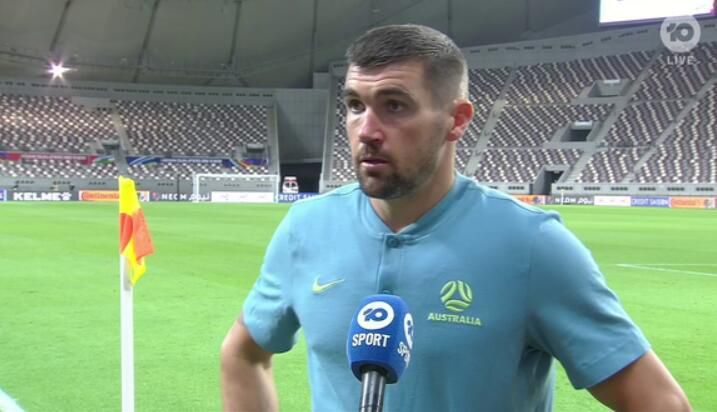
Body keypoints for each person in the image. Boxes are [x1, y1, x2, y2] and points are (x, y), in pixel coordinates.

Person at [221, 24, 691, 411]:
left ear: (457, 119)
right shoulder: (306, 229)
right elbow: (242, 354)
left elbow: (660, 403)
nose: (366, 131)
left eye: (395, 106)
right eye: (355, 105)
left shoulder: (531, 246)